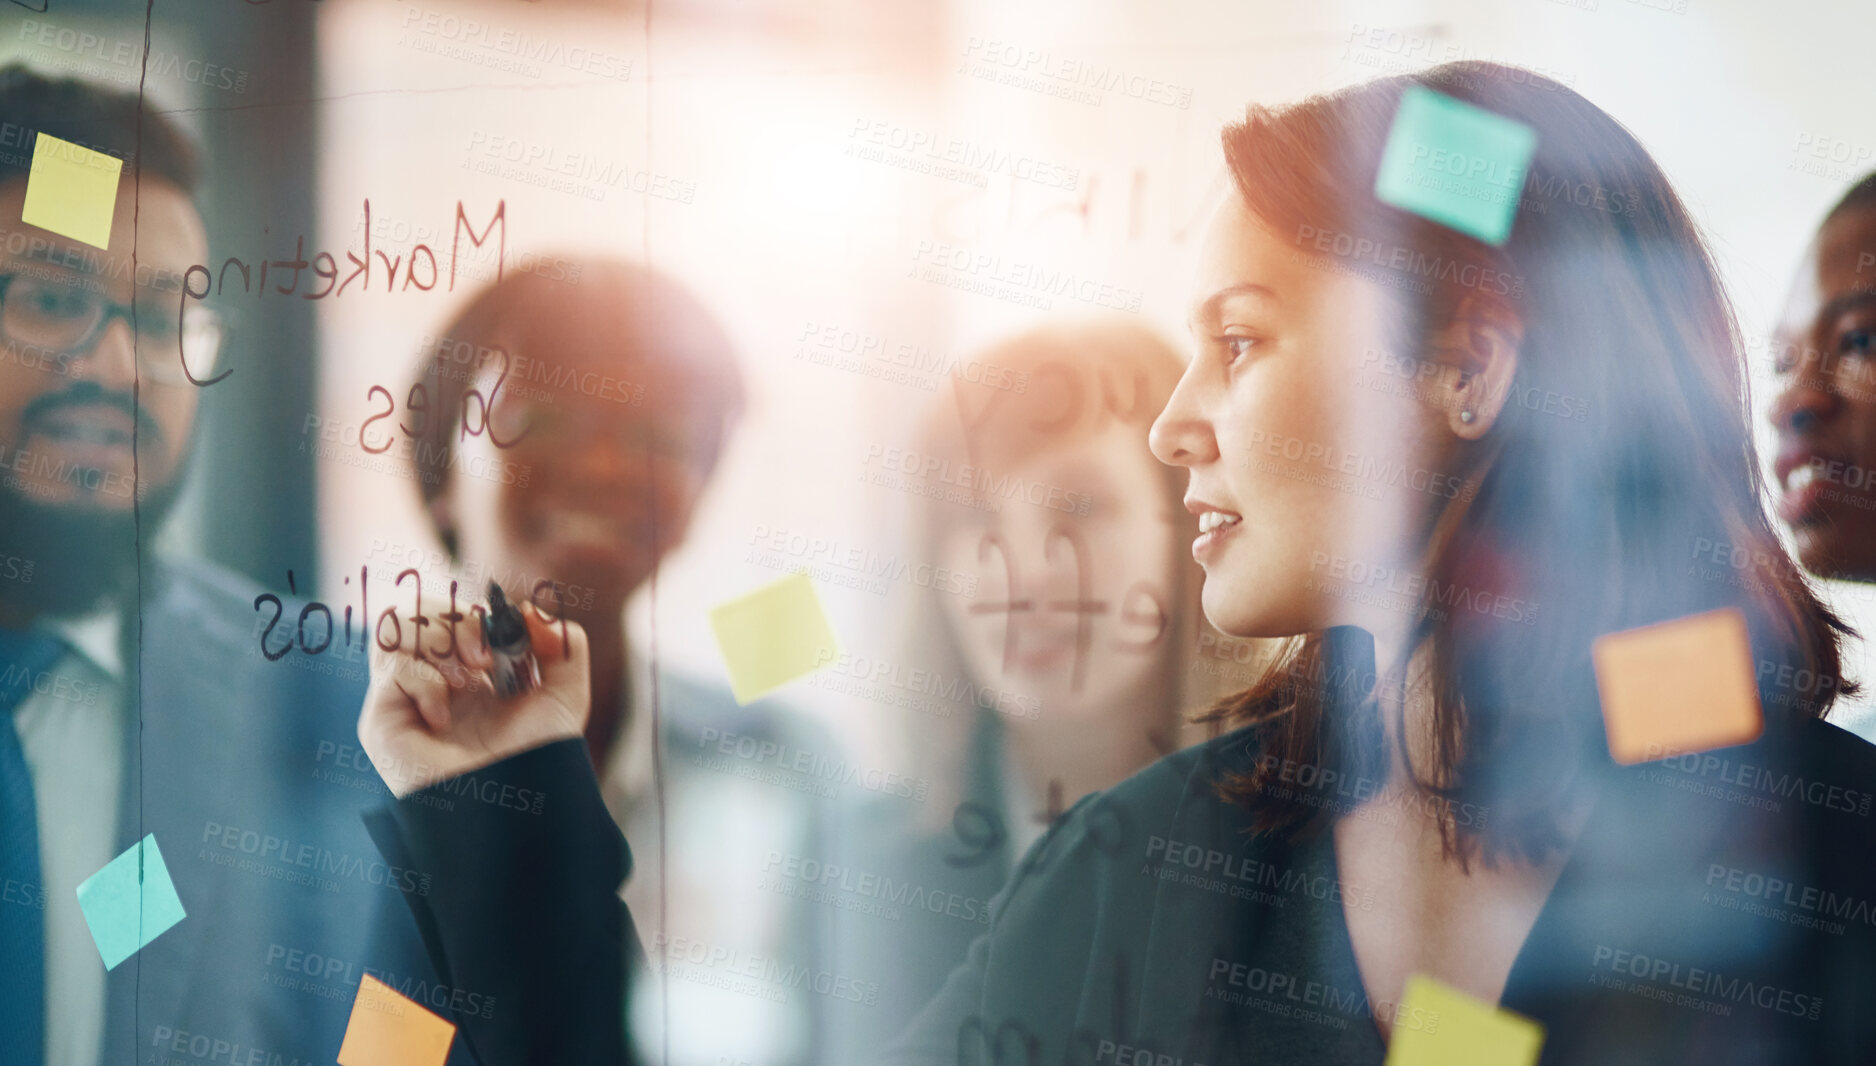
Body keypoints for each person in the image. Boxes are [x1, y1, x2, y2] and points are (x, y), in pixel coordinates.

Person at [872, 61, 1876, 1064]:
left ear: (1469, 367)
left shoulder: (1840, 863)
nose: (1173, 426)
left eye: (1237, 341)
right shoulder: (1125, 867)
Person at [0, 65, 626, 1066]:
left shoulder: (334, 711)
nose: (118, 367)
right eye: (47, 296)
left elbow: (413, 1051)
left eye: (164, 318)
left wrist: (497, 832)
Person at [385, 263, 841, 1066]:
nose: (604, 468)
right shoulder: (295, 752)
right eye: (542, 420)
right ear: (441, 472)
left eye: (659, 434)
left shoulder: (783, 774)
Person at [825, 319, 1243, 1059]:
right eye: (977, 518)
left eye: (1080, 507)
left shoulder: (1307, 852)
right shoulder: (857, 867)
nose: (1023, 572)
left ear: (1191, 534)